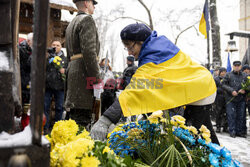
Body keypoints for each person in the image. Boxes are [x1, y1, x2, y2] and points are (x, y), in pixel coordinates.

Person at [91, 23, 219, 144]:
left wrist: (106, 119)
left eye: (130, 47)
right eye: (127, 48)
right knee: (204, 133)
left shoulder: (152, 58)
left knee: (194, 139)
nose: (129, 52)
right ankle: (223, 160)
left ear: (141, 41)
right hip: (201, 84)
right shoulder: (158, 45)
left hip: (199, 91)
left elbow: (134, 90)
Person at [64, 0, 100, 129]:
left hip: (73, 74)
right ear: (86, 3)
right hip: (83, 76)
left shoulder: (71, 23)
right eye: (92, 3)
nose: (94, 6)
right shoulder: (87, 20)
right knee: (82, 123)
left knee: (74, 120)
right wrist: (96, 81)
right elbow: (89, 53)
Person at [44, 41, 67, 133]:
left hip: (60, 87)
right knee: (45, 107)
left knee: (59, 108)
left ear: (61, 47)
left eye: (58, 45)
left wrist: (64, 70)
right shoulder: (47, 56)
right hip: (48, 86)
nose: (55, 47)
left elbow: (68, 70)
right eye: (53, 45)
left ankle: (57, 128)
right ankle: (45, 127)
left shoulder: (65, 59)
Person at [221, 61, 247, 138]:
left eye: (238, 66)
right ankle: (232, 131)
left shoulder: (244, 75)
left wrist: (245, 90)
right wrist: (231, 91)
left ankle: (239, 131)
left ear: (241, 66)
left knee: (241, 115)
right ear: (233, 66)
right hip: (231, 99)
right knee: (231, 115)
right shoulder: (228, 75)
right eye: (235, 66)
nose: (237, 67)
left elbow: (248, 86)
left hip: (241, 99)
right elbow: (223, 84)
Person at [19, 32, 33, 105]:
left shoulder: (31, 49)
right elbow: (28, 65)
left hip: (29, 80)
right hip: (22, 80)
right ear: (28, 41)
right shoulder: (21, 49)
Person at [214, 67, 227, 133]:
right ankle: (218, 126)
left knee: (226, 113)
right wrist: (222, 89)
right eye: (222, 72)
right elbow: (214, 88)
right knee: (218, 112)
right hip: (219, 98)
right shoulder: (216, 79)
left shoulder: (227, 78)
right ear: (220, 72)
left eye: (225, 72)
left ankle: (225, 126)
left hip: (227, 98)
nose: (223, 73)